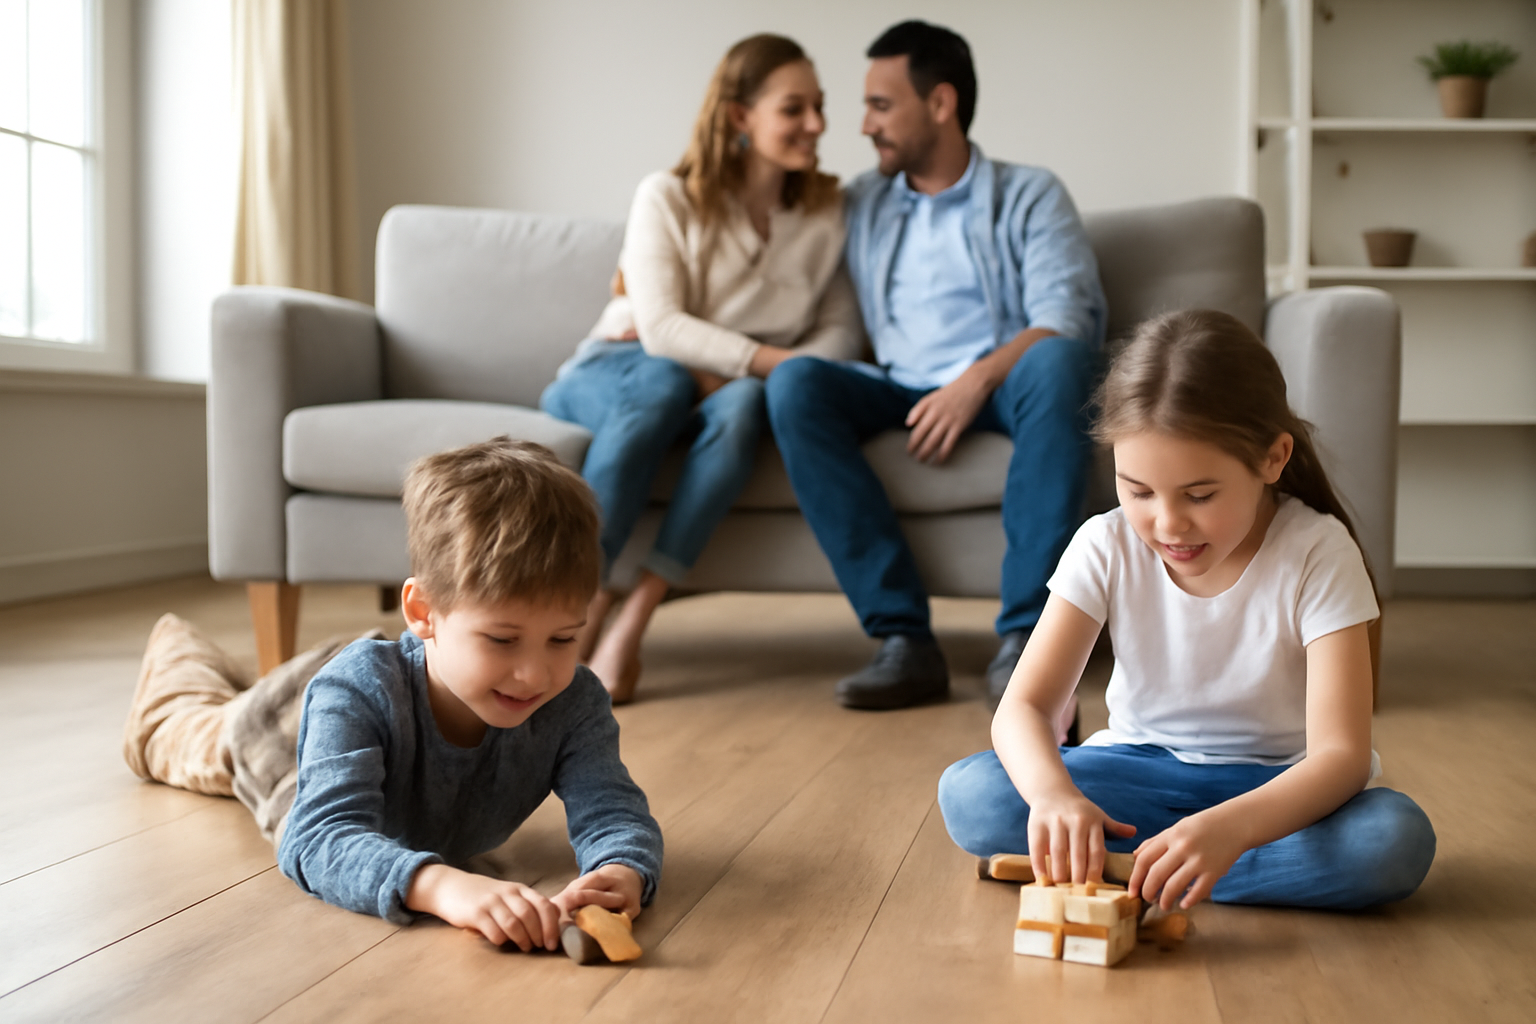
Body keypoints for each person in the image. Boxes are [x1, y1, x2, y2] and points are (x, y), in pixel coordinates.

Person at [937, 310, 1436, 911]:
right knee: (973, 794)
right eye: (1138, 491)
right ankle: (1179, 869)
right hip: (1135, 772)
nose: (1167, 524)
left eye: (1199, 495)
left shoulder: (1319, 553)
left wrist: (1233, 829)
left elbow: (1341, 757)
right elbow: (1024, 707)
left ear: (1273, 459)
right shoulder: (1105, 544)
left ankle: (1128, 871)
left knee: (1391, 840)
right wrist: (1053, 798)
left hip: (1273, 789)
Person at [122, 438, 664, 951]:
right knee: (175, 729)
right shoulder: (354, 692)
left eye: (564, 639)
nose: (534, 675)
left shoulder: (573, 702)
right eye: (502, 639)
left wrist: (620, 869)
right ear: (424, 612)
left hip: (368, 678)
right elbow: (317, 838)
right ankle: (176, 639)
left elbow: (614, 812)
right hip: (277, 735)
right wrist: (442, 887)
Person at [765, 20, 1106, 715]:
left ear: (941, 104)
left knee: (1063, 361)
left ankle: (1026, 645)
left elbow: (1066, 315)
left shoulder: (1030, 194)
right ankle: (903, 643)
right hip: (895, 385)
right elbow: (756, 236)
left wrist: (974, 379)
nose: (863, 125)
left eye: (881, 106)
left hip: (1006, 385)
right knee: (796, 382)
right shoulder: (859, 202)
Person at [541, 34, 862, 705]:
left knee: (744, 408)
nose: (817, 125)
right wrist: (771, 364)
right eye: (794, 109)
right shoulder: (668, 196)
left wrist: (759, 376)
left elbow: (842, 328)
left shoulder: (826, 210)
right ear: (740, 116)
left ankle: (635, 617)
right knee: (664, 382)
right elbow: (660, 329)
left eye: (820, 107)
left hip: (733, 388)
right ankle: (578, 610)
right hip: (623, 366)